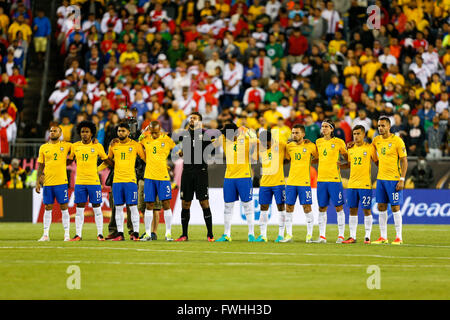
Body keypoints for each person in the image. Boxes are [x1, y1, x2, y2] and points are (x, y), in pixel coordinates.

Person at [100, 122, 146, 241]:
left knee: (133, 207)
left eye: (123, 131)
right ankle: (120, 234)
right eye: (119, 131)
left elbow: (145, 158)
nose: (121, 133)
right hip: (117, 181)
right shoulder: (113, 145)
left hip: (130, 180)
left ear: (128, 132)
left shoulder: (136, 145)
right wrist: (96, 169)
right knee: (118, 207)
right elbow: (108, 161)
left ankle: (135, 233)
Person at [68, 121, 113, 241]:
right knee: (79, 209)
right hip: (80, 183)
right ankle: (78, 235)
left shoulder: (97, 146)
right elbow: (68, 160)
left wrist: (114, 164)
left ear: (92, 133)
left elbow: (106, 160)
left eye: (87, 132)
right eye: (82, 132)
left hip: (94, 182)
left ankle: (100, 234)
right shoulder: (75, 146)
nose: (84, 134)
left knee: (97, 208)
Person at [175, 112, 216, 242]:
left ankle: (210, 234)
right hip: (187, 172)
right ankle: (184, 234)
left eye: (195, 118)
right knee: (185, 203)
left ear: (200, 121)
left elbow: (211, 152)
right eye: (191, 118)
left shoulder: (205, 135)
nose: (192, 120)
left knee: (204, 202)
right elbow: (182, 150)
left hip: (201, 171)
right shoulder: (184, 135)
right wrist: (181, 151)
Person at [216, 122, 257, 242]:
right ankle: (226, 234)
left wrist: (246, 129)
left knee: (248, 206)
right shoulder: (224, 139)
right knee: (227, 207)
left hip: (244, 177)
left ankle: (251, 234)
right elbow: (212, 138)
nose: (225, 135)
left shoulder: (246, 139)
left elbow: (256, 139)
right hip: (229, 177)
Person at [371, 117, 408, 245]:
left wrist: (402, 179)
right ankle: (383, 237)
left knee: (395, 207)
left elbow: (404, 161)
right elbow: (369, 152)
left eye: (382, 125)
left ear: (389, 126)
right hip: (381, 179)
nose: (380, 128)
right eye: (378, 126)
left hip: (394, 179)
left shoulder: (397, 141)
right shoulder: (376, 140)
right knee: (381, 206)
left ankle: (399, 237)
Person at [139, 121, 176, 241]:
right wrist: (143, 133)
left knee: (166, 204)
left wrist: (180, 152)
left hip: (163, 177)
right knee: (149, 205)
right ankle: (148, 233)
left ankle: (168, 233)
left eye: (156, 132)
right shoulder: (146, 138)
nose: (154, 135)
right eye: (152, 132)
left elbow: (176, 150)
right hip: (149, 176)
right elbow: (136, 145)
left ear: (160, 130)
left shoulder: (167, 139)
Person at [340, 125, 377, 244]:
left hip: (365, 184)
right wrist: (340, 165)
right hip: (352, 184)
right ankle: (352, 236)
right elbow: (350, 164)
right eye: (354, 134)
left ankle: (367, 236)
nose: (356, 136)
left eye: (358, 134)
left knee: (366, 210)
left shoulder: (370, 148)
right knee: (352, 210)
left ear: (364, 135)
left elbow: (377, 163)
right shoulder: (350, 149)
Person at [36, 126, 72, 241]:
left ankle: (67, 234)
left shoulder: (66, 145)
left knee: (64, 207)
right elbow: (40, 165)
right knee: (47, 207)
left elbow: (79, 146)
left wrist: (94, 141)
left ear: (60, 133)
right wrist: (37, 182)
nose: (52, 132)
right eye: (51, 131)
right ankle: (45, 234)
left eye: (54, 131)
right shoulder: (43, 147)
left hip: (61, 182)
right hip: (48, 183)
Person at [315, 119, 348, 244]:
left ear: (332, 129)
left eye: (326, 127)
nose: (323, 129)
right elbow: (316, 157)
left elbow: (347, 158)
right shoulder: (318, 142)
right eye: (322, 126)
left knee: (338, 207)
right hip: (321, 179)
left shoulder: (339, 142)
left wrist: (343, 165)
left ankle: (341, 236)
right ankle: (322, 236)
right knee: (321, 207)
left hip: (334, 179)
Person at [284, 125, 318, 243]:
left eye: (297, 133)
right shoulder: (289, 146)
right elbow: (287, 158)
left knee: (307, 207)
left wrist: (308, 162)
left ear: (303, 134)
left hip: (304, 182)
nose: (294, 135)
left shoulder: (310, 146)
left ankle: (309, 235)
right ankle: (288, 235)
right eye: (293, 133)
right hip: (291, 182)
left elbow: (318, 157)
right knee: (288, 207)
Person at [257, 130, 287, 243]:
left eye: (266, 142)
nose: (264, 144)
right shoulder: (260, 148)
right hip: (265, 183)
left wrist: (279, 165)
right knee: (263, 208)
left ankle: (280, 235)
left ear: (270, 140)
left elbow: (288, 158)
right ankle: (263, 235)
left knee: (281, 207)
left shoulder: (281, 145)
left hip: (278, 182)